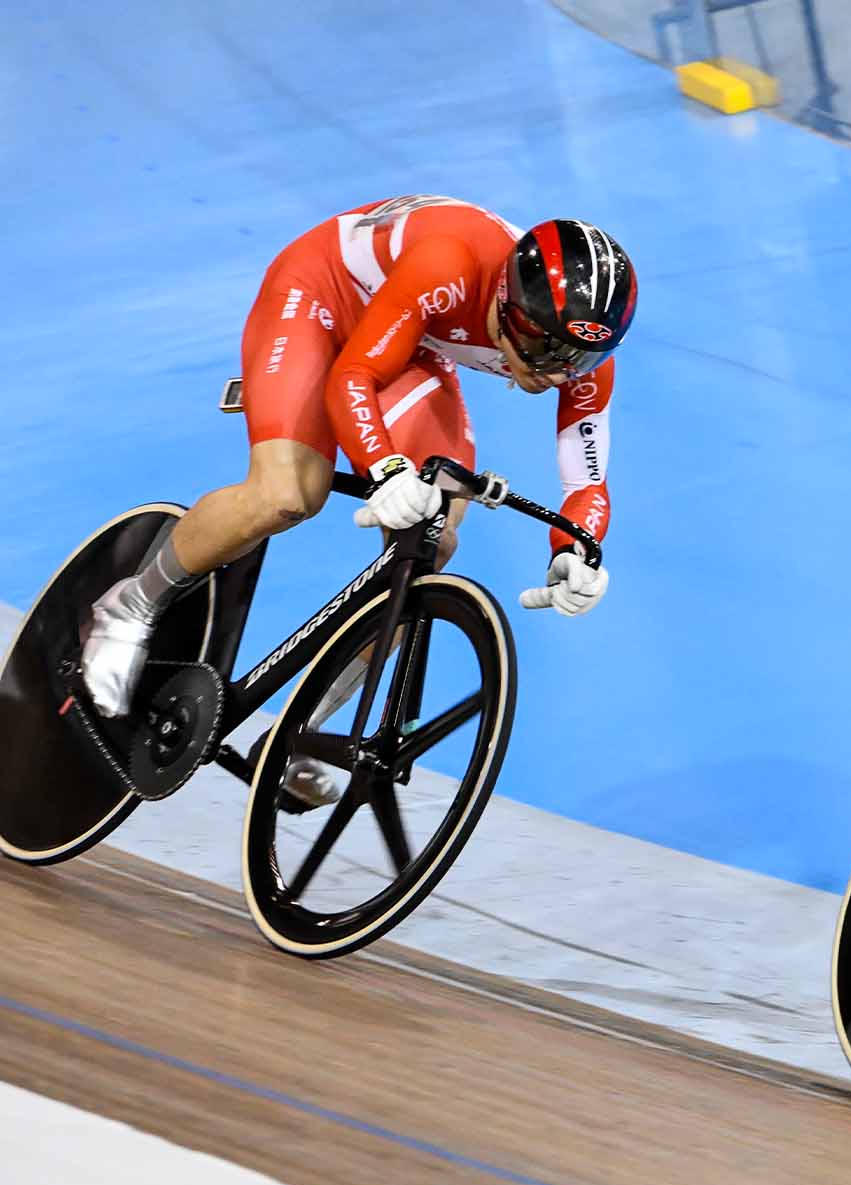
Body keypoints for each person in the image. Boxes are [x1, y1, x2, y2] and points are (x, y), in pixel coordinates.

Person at [78, 194, 636, 805]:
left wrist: (577, 549)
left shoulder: (579, 359)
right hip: (321, 293)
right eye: (542, 348)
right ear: (507, 304)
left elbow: (585, 482)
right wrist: (385, 468)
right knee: (289, 494)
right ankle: (128, 606)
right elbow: (352, 380)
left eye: (577, 357)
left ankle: (297, 731)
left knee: (432, 538)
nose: (557, 373)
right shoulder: (449, 264)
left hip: (408, 336)